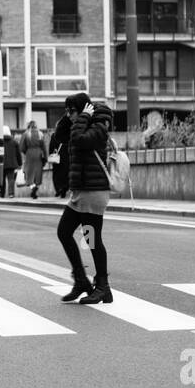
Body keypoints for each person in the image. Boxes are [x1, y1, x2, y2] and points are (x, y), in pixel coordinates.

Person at [56, 92, 115, 305]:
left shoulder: (100, 124)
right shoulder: (78, 123)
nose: (69, 115)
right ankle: (81, 281)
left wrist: (83, 117)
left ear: (83, 111)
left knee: (91, 240)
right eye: (67, 111)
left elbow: (81, 141)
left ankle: (102, 287)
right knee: (64, 232)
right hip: (81, 191)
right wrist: (70, 116)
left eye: (71, 111)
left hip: (94, 191)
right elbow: (59, 137)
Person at [19, 121, 47, 200]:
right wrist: (45, 158)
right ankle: (35, 189)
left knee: (29, 173)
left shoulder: (26, 134)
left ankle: (33, 187)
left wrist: (26, 152)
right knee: (37, 173)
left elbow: (21, 147)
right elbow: (44, 147)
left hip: (29, 154)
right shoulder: (40, 134)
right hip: (39, 154)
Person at [0, 125, 21, 198]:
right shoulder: (14, 142)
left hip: (1, 164)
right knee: (11, 179)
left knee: (2, 180)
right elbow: (18, 154)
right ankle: (11, 194)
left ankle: (2, 194)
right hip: (12, 164)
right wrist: (19, 163)